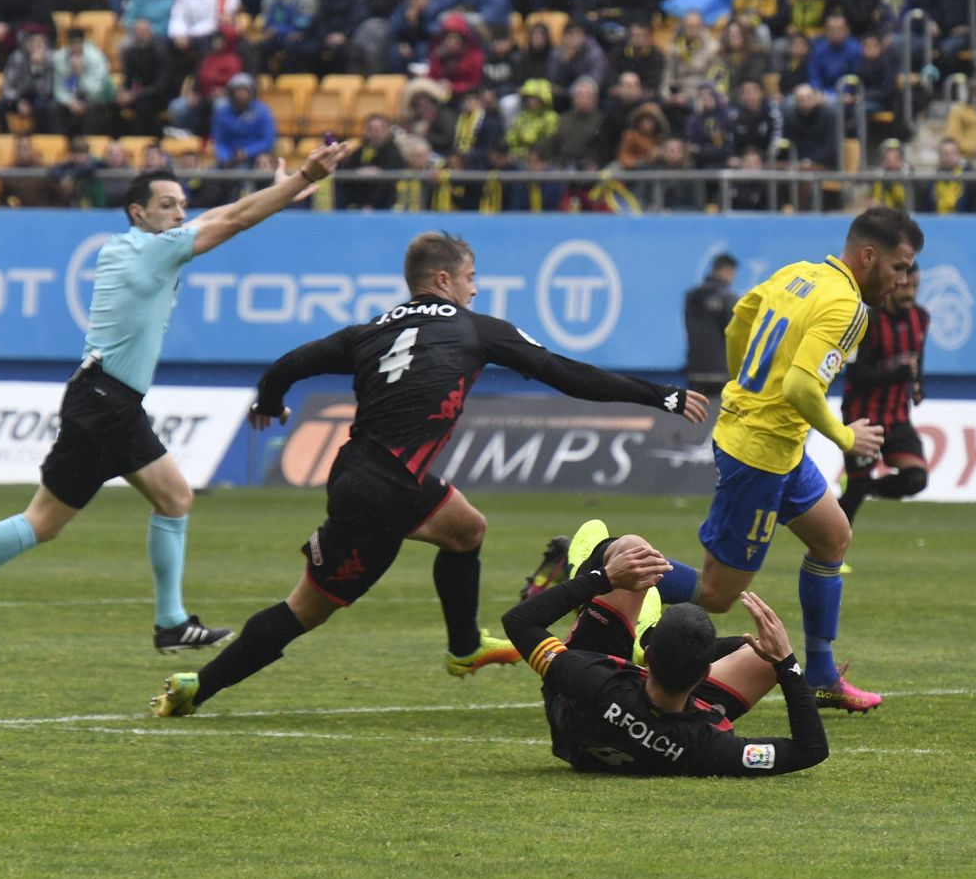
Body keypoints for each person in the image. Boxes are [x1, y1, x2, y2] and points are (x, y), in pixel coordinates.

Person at [149, 233, 710, 717]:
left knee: (457, 533)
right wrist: (658, 395)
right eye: (470, 277)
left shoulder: (367, 333)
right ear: (443, 279)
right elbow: (564, 371)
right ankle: (206, 685)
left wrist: (268, 402)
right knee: (323, 600)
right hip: (386, 487)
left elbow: (289, 364)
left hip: (360, 476)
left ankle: (460, 645)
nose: (474, 288)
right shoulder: (474, 329)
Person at [0, 141, 350, 652]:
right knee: (79, 515)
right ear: (138, 212)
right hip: (105, 401)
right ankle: (170, 623)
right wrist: (298, 181)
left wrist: (278, 190)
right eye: (168, 205)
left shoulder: (140, 244)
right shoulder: (150, 247)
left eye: (183, 204)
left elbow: (225, 213)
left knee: (126, 506)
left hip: (104, 398)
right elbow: (235, 222)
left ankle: (171, 623)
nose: (180, 212)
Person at [649, 209, 921, 713]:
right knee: (716, 594)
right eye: (900, 266)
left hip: (775, 443)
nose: (903, 279)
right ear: (868, 257)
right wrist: (844, 435)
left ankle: (819, 675)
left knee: (833, 536)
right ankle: (601, 567)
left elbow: (738, 325)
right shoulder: (848, 308)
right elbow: (800, 386)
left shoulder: (799, 274)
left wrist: (748, 388)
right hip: (760, 455)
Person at [502, 526, 828, 777]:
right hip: (651, 722)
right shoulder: (706, 746)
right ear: (704, 674)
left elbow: (519, 622)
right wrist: (787, 664)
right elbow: (810, 750)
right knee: (763, 660)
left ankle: (585, 575)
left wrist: (601, 579)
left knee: (633, 549)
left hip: (577, 722)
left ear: (649, 661)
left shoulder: (592, 679)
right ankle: (642, 627)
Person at [838, 265, 929, 525]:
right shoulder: (868, 322)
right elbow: (857, 376)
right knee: (854, 494)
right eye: (904, 287)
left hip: (898, 417)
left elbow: (915, 359)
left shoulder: (921, 318)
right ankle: (828, 556)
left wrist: (918, 385)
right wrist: (897, 375)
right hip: (863, 419)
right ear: (891, 285)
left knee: (916, 479)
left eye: (915, 287)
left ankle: (865, 486)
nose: (910, 293)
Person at [684, 253, 739, 400]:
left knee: (696, 415)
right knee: (720, 418)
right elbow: (736, 333)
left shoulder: (691, 296)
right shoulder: (729, 298)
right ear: (727, 271)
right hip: (722, 371)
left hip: (695, 370)